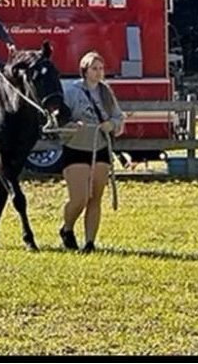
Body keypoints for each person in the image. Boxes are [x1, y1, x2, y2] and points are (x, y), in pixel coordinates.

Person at [59, 52, 126, 253]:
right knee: (79, 198)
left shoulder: (107, 93)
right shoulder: (71, 92)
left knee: (95, 198)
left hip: (100, 148)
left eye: (101, 68)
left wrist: (111, 124)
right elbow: (60, 121)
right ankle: (67, 228)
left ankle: (89, 242)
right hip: (76, 149)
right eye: (94, 68)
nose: (98, 73)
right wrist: (71, 126)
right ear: (85, 70)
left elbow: (119, 119)